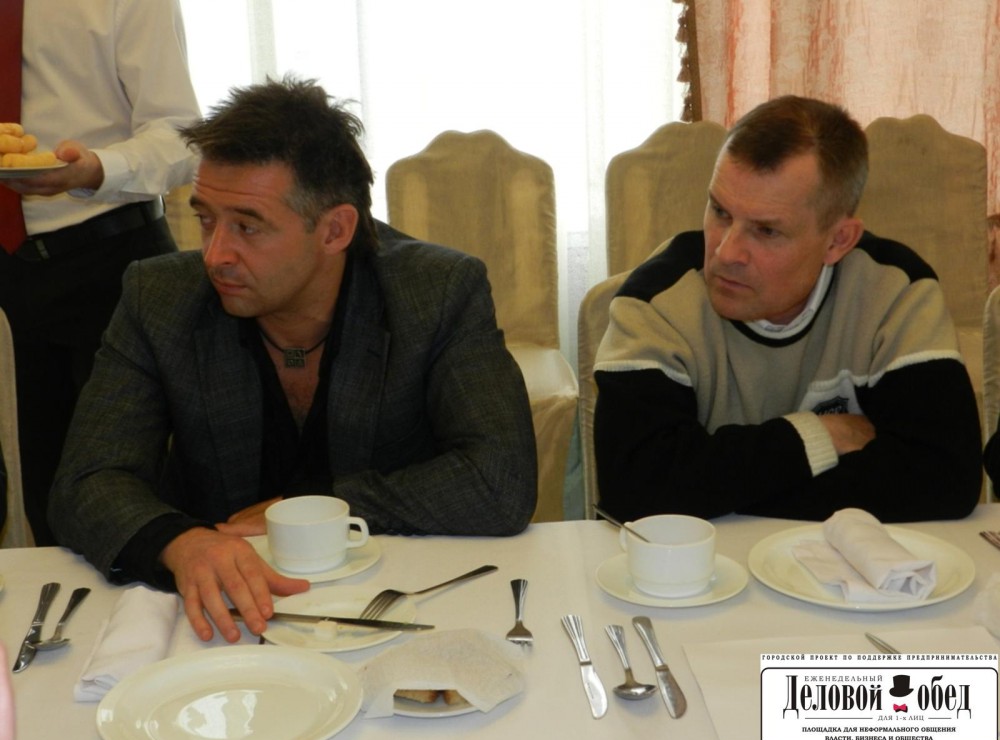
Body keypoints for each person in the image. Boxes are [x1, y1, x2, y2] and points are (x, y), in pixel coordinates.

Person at [49, 76, 538, 643]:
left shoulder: (436, 291)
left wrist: (324, 507)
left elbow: (500, 481)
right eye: (206, 219)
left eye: (247, 226)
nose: (216, 254)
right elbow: (85, 481)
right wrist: (179, 543)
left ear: (335, 230)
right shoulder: (158, 297)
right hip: (221, 621)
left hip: (394, 604)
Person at [593, 95, 981, 524]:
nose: (726, 253)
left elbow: (946, 479)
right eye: (720, 211)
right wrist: (818, 437)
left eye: (766, 231)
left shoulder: (895, 291)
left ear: (838, 241)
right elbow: (633, 489)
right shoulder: (655, 302)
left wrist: (710, 483)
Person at [0, 0, 201, 545]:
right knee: (34, 496)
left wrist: (98, 169)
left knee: (133, 492)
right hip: (6, 276)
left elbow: (181, 135)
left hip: (109, 261)